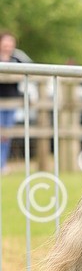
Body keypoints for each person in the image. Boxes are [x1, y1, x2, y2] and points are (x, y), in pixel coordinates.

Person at [0, 31, 31, 170]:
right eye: (5, 42)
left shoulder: (17, 57)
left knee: (7, 135)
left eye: (10, 43)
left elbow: (31, 67)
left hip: (11, 101)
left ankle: (2, 163)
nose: (8, 46)